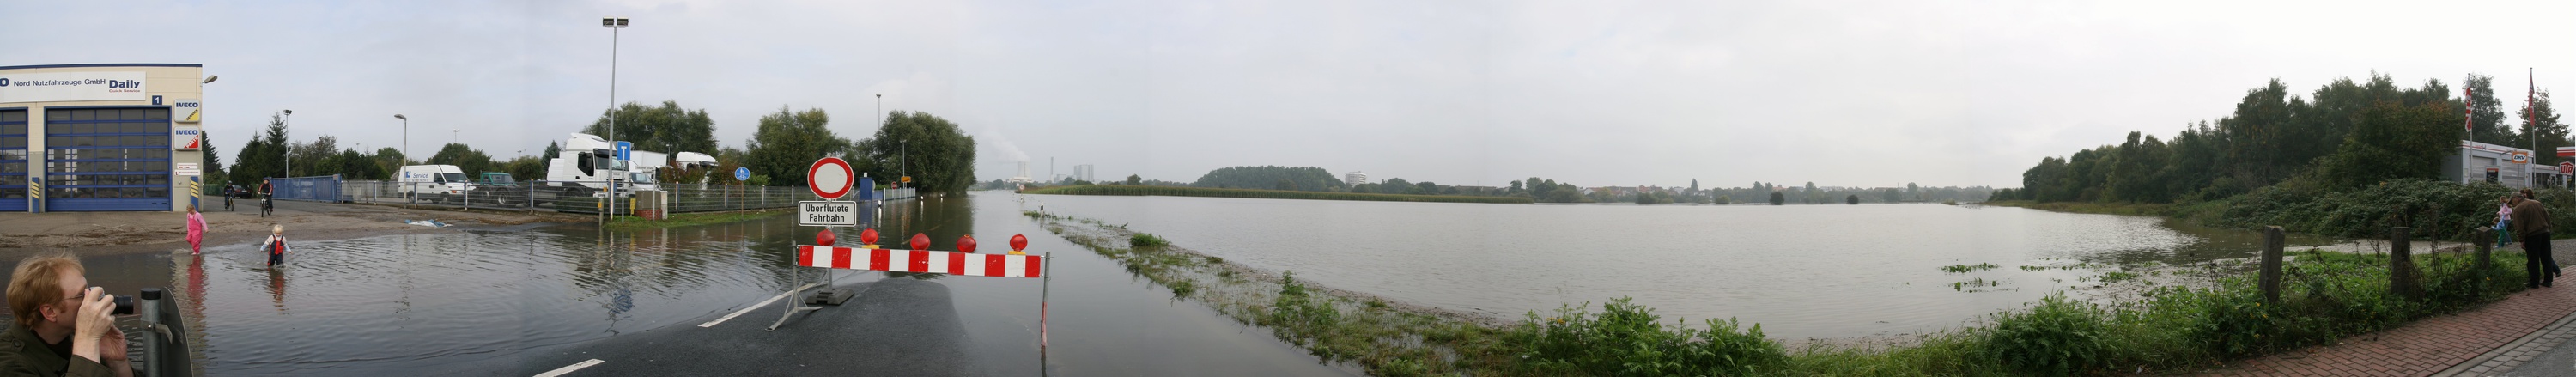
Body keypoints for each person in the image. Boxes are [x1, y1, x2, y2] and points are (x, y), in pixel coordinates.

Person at [0, 252, 136, 377]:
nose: (91, 300)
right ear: (50, 312)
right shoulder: (11, 364)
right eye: (82, 295)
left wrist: (118, 363)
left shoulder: (70, 338)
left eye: (89, 290)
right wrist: (86, 341)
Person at [2512, 189, 2561, 288]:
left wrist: (2522, 240)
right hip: (2545, 233)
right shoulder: (2537, 203)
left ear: (2516, 198)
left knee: (2533, 259)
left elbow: (2519, 227)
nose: (2512, 203)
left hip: (2532, 235)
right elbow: (2547, 217)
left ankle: (2534, 282)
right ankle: (2548, 281)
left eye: (2512, 201)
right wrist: (2548, 228)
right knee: (2546, 257)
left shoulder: (2518, 209)